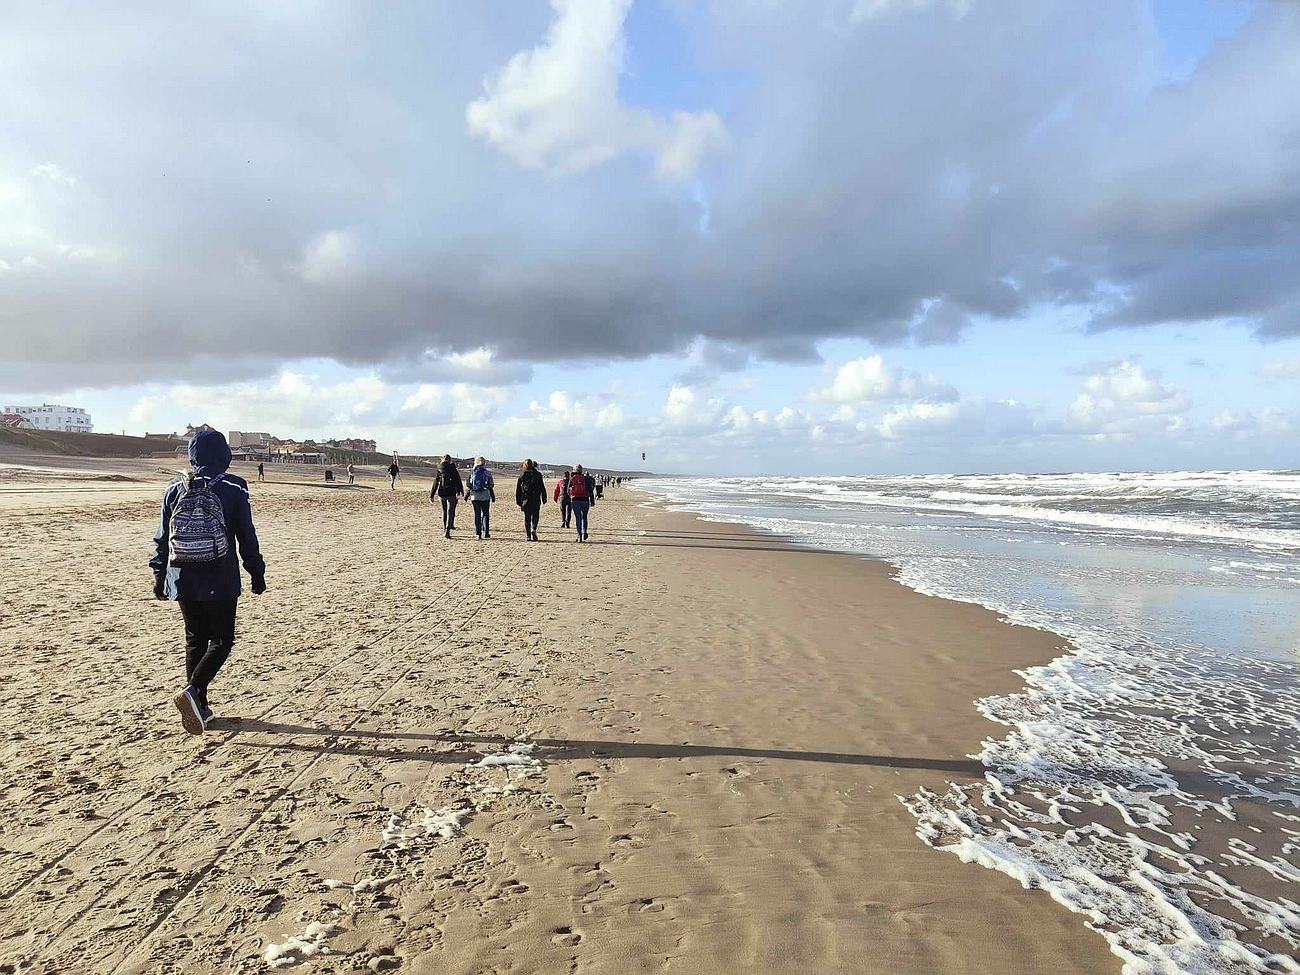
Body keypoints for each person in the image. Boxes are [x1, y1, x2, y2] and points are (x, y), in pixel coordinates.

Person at [150, 430, 266, 735]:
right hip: (220, 575)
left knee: (195, 639)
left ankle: (199, 706)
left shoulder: (174, 487)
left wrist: (159, 576)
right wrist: (257, 573)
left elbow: (162, 536)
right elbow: (246, 535)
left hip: (181, 576)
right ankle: (193, 691)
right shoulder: (234, 486)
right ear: (223, 455)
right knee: (222, 641)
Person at [430, 453, 464, 539]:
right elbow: (458, 480)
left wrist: (432, 495)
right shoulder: (453, 468)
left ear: (442, 459)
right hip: (451, 493)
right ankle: (447, 531)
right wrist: (460, 491)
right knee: (450, 511)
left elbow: (435, 482)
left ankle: (444, 528)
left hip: (441, 493)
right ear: (450, 460)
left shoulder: (440, 468)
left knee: (444, 512)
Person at [515, 459, 547, 542]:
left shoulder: (522, 475)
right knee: (535, 515)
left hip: (525, 499)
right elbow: (542, 487)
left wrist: (518, 500)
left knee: (527, 517)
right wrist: (544, 497)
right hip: (535, 498)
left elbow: (518, 489)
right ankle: (534, 528)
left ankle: (528, 536)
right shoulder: (538, 474)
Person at [465, 456, 496, 539]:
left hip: (474, 496)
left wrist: (467, 495)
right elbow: (491, 485)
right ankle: (486, 532)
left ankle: (478, 533)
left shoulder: (472, 473)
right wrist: (492, 496)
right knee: (486, 514)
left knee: (477, 514)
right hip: (485, 496)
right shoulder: (487, 473)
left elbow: (468, 485)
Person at [568, 463, 592, 542]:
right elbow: (590, 490)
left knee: (578, 518)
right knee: (584, 517)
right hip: (585, 500)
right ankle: (585, 532)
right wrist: (592, 500)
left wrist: (571, 497)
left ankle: (579, 535)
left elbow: (567, 490)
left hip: (575, 500)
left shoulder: (572, 478)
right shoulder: (586, 478)